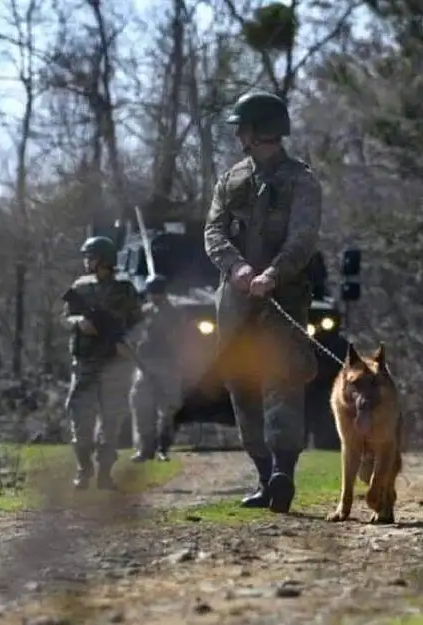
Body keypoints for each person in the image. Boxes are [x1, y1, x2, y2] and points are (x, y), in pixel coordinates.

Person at [204, 90, 322, 514]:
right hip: (235, 303)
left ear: (258, 131)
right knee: (241, 384)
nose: (238, 134)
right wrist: (236, 269)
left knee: (282, 380)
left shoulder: (302, 180)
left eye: (242, 127)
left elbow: (303, 238)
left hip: (283, 298)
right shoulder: (231, 180)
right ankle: (263, 475)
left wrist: (273, 274)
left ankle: (283, 474)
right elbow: (213, 232)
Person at [61, 235, 142, 490]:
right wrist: (78, 322)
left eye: (91, 256)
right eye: (86, 256)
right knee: (80, 418)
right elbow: (65, 317)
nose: (87, 261)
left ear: (104, 260)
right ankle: (84, 470)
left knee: (111, 420)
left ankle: (105, 473)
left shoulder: (124, 289)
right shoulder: (80, 287)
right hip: (85, 361)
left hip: (115, 363)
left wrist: (127, 343)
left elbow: (138, 323)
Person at [129, 274, 185, 463]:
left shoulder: (174, 313)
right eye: (151, 293)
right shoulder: (144, 313)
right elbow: (134, 334)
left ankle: (163, 448)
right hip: (144, 364)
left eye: (157, 293)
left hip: (168, 364)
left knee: (167, 410)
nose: (154, 297)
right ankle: (145, 449)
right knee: (142, 407)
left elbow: (180, 339)